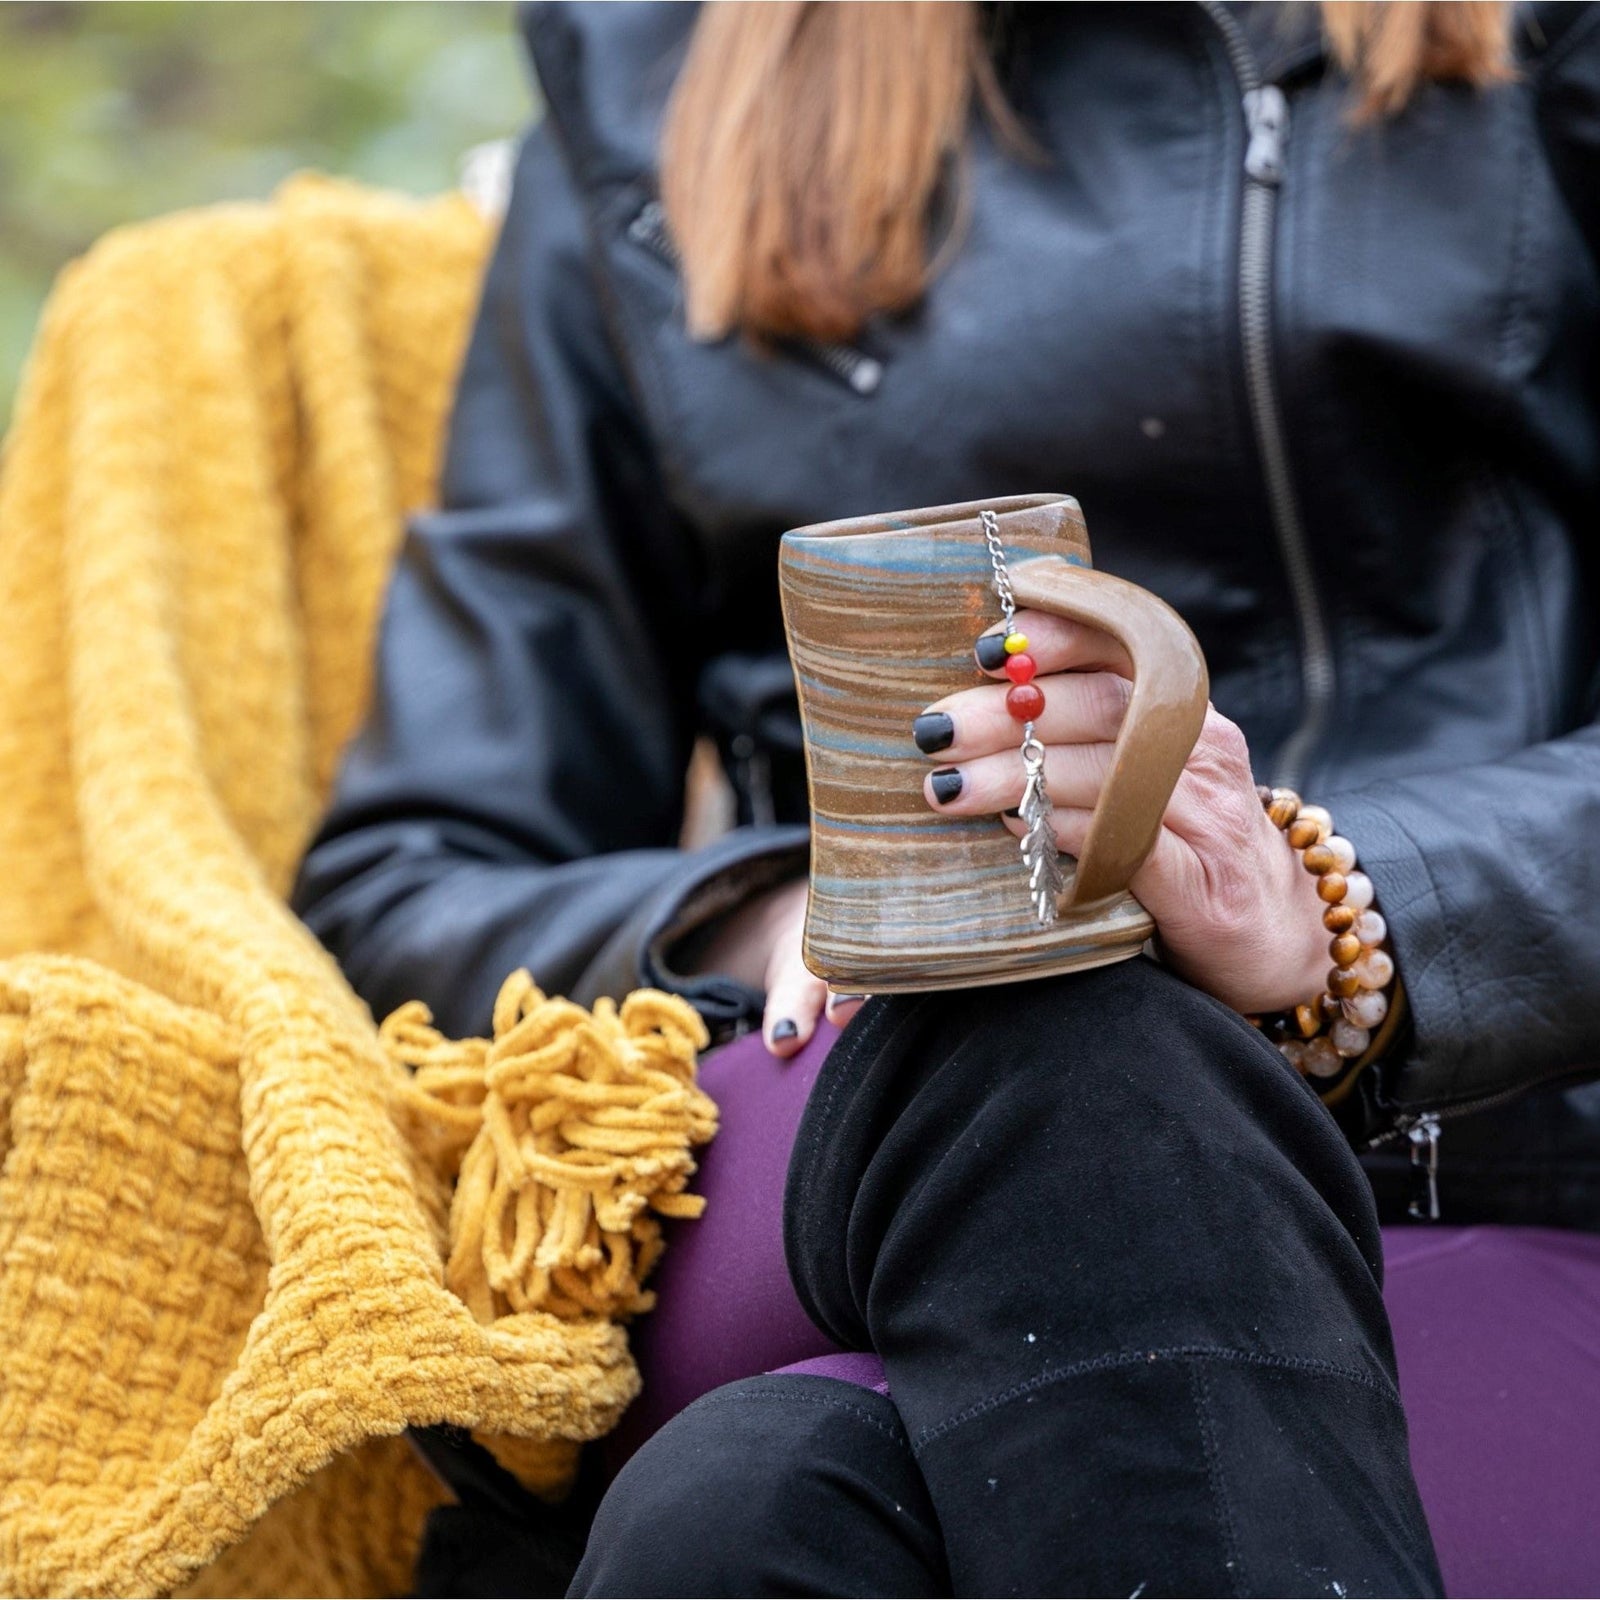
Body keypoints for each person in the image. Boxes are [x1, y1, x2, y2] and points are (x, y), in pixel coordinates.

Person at [293, 2, 1600, 1593]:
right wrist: (790, 901)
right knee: (1043, 1022)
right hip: (864, 1120)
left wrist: (1335, 902)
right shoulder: (652, 58)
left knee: (757, 1510)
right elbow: (407, 880)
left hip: (1505, 1152)